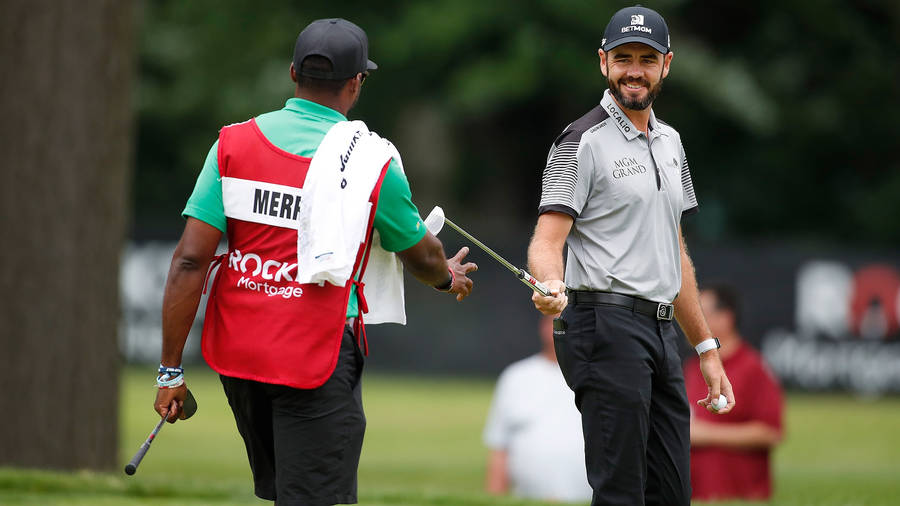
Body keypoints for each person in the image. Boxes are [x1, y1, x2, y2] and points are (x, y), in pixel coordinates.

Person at [152, 18, 477, 506]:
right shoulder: (372, 162)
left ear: (292, 74)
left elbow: (189, 262)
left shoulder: (232, 144)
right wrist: (445, 276)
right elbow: (423, 254)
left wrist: (170, 371)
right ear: (355, 83)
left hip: (241, 359)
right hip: (315, 356)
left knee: (287, 493)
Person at [526, 6, 735, 505]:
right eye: (623, 58)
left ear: (667, 64)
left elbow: (674, 250)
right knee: (621, 490)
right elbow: (546, 241)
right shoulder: (581, 140)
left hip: (661, 332)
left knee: (671, 491)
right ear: (603, 62)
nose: (634, 70)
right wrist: (551, 284)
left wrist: (705, 348)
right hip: (604, 325)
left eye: (646, 58)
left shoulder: (672, 143)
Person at [684, 284, 784, 501]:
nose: (689, 320)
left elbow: (770, 432)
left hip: (740, 495)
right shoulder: (693, 367)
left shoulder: (753, 367)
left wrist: (703, 434)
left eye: (700, 313)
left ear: (726, 317)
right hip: (698, 495)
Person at [483, 315, 593, 503]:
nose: (561, 327)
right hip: (527, 500)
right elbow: (499, 448)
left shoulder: (599, 377)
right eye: (554, 321)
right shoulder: (516, 377)